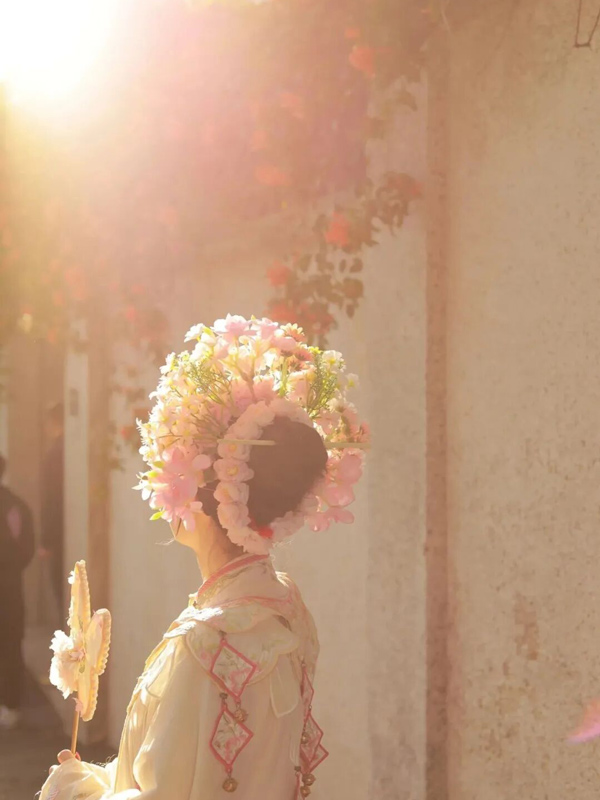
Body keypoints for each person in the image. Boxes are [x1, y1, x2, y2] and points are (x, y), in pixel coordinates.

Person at [40, 315, 368, 800]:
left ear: (211, 495)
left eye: (176, 475)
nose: (164, 492)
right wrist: (96, 779)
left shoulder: (205, 641)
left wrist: (70, 789)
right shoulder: (284, 606)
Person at [0, 453, 35, 729]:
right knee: (11, 643)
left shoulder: (15, 506)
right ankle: (11, 706)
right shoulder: (17, 506)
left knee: (10, 644)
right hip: (10, 587)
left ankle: (10, 704)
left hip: (9, 585)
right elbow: (27, 550)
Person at [38, 402, 65, 615]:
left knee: (61, 587)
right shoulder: (67, 450)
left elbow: (50, 498)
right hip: (64, 528)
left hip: (58, 533)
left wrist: (46, 540)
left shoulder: (54, 454)